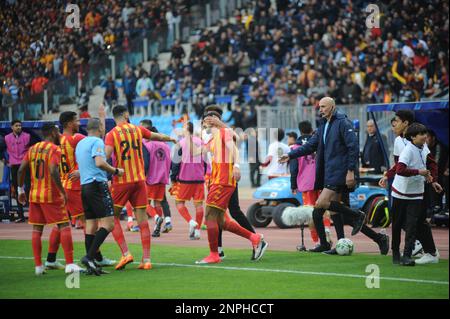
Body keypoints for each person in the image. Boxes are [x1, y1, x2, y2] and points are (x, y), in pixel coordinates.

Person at [279, 97, 366, 253]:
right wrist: (291, 155)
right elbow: (310, 145)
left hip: (340, 172)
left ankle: (357, 215)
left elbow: (353, 147)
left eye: (324, 107)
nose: (320, 110)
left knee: (320, 204)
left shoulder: (343, 123)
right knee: (329, 211)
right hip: (330, 172)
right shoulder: (324, 125)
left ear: (332, 107)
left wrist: (351, 171)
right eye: (319, 107)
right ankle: (335, 243)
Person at [105, 105, 175, 270]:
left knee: (112, 218)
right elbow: (157, 136)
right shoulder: (137, 129)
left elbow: (106, 156)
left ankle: (126, 253)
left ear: (114, 117)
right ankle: (147, 259)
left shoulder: (112, 134)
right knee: (142, 219)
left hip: (122, 181)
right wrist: (170, 139)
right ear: (126, 114)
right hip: (139, 180)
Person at [44, 111, 115, 270]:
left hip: (63, 184)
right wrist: (101, 119)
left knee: (61, 223)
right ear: (69, 124)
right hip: (75, 186)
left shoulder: (58, 140)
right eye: (76, 121)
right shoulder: (77, 138)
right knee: (89, 223)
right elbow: (95, 142)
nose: (79, 123)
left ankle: (50, 258)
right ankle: (94, 257)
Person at [197, 107, 267, 264]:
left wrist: (236, 165)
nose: (204, 122)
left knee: (210, 216)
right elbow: (199, 151)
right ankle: (255, 238)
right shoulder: (213, 138)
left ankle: (215, 254)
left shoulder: (224, 132)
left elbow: (234, 148)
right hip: (216, 181)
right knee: (221, 220)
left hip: (223, 181)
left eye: (207, 119)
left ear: (213, 120)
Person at [17, 123, 83, 275]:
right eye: (58, 132)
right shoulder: (55, 149)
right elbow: (53, 170)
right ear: (53, 133)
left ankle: (38, 266)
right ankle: (70, 264)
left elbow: (21, 170)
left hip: (34, 195)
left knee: (37, 229)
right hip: (51, 194)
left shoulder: (33, 149)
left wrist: (21, 190)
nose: (60, 134)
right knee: (64, 225)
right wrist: (62, 191)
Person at [76, 118, 125, 275]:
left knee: (91, 226)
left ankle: (91, 265)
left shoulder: (80, 143)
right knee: (109, 224)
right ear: (100, 128)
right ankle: (89, 257)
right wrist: (116, 171)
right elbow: (99, 163)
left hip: (85, 186)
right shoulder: (97, 141)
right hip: (97, 184)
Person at [390, 123, 443, 266]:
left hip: (417, 193)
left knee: (412, 225)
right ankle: (395, 252)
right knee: (397, 224)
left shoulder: (424, 147)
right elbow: (400, 169)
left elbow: (432, 164)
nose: (425, 136)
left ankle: (406, 256)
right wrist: (418, 172)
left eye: (425, 133)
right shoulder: (408, 150)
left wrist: (434, 181)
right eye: (421, 134)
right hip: (400, 192)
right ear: (413, 137)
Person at [289, 121, 332, 248]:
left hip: (306, 184)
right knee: (324, 207)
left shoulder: (294, 148)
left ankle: (316, 241)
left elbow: (294, 169)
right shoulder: (319, 143)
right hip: (321, 181)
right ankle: (327, 230)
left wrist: (293, 185)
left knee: (311, 212)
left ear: (300, 131)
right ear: (311, 129)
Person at [170, 121, 206, 240]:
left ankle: (190, 221)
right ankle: (197, 231)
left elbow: (175, 162)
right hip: (199, 179)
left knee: (179, 203)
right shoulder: (201, 141)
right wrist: (203, 173)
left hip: (185, 179)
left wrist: (173, 178)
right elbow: (205, 161)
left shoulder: (180, 143)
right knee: (199, 205)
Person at [143, 125, 172, 238]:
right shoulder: (166, 146)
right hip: (163, 178)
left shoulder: (147, 145)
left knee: (145, 203)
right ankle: (157, 229)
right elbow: (170, 162)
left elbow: (145, 163)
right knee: (158, 203)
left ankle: (156, 218)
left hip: (150, 178)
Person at [5, 120, 30, 223]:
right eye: (16, 126)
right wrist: (4, 160)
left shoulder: (27, 136)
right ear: (12, 127)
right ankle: (21, 216)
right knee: (17, 190)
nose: (19, 127)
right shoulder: (6, 138)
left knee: (29, 187)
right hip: (14, 165)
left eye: (20, 125)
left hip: (25, 164)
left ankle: (32, 213)